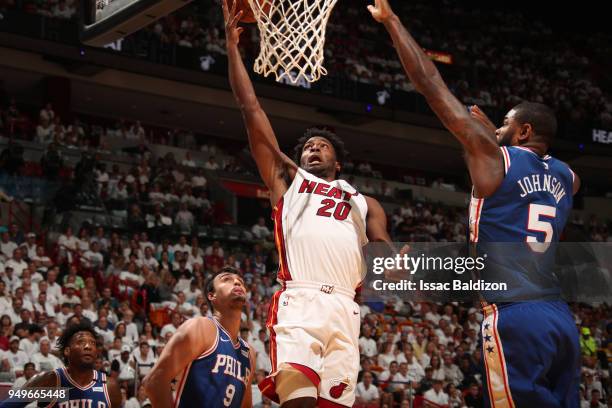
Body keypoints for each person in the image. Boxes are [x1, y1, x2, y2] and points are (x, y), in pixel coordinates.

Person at [368, 1, 581, 406]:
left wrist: (392, 22)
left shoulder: (496, 158)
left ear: (524, 130)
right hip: (560, 321)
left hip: (515, 317)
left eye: (504, 122)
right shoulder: (568, 176)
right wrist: (499, 139)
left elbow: (432, 86)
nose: (495, 126)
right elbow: (542, 178)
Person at [223, 0, 395, 406]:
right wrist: (233, 48)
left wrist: (396, 259)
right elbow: (251, 110)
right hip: (300, 301)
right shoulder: (288, 180)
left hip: (345, 309)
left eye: (322, 146)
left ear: (338, 160)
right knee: (296, 401)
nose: (314, 149)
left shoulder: (364, 200)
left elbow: (381, 247)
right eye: (308, 147)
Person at [142, 266, 255, 407]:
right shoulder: (200, 327)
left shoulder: (249, 353)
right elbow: (154, 381)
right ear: (211, 295)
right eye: (227, 279)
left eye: (240, 281)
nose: (237, 283)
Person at [0, 322, 122, 408]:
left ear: (97, 353)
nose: (88, 346)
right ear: (67, 351)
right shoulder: (52, 383)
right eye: (81, 342)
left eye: (92, 343)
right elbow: (8, 405)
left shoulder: (109, 387)